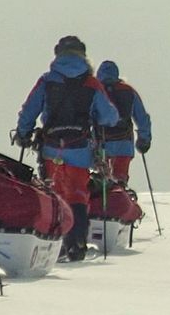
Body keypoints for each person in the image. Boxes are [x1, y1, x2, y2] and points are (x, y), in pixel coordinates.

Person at [13, 35, 119, 261]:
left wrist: (23, 133)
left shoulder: (47, 80)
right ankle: (77, 242)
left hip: (51, 147)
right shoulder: (91, 83)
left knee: (55, 193)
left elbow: (29, 110)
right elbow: (109, 116)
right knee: (78, 195)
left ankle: (57, 242)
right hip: (80, 148)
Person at [94, 60, 152, 185]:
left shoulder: (96, 91)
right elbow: (142, 117)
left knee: (102, 179)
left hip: (102, 143)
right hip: (124, 144)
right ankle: (120, 196)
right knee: (120, 178)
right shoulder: (128, 91)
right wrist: (144, 139)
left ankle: (103, 200)